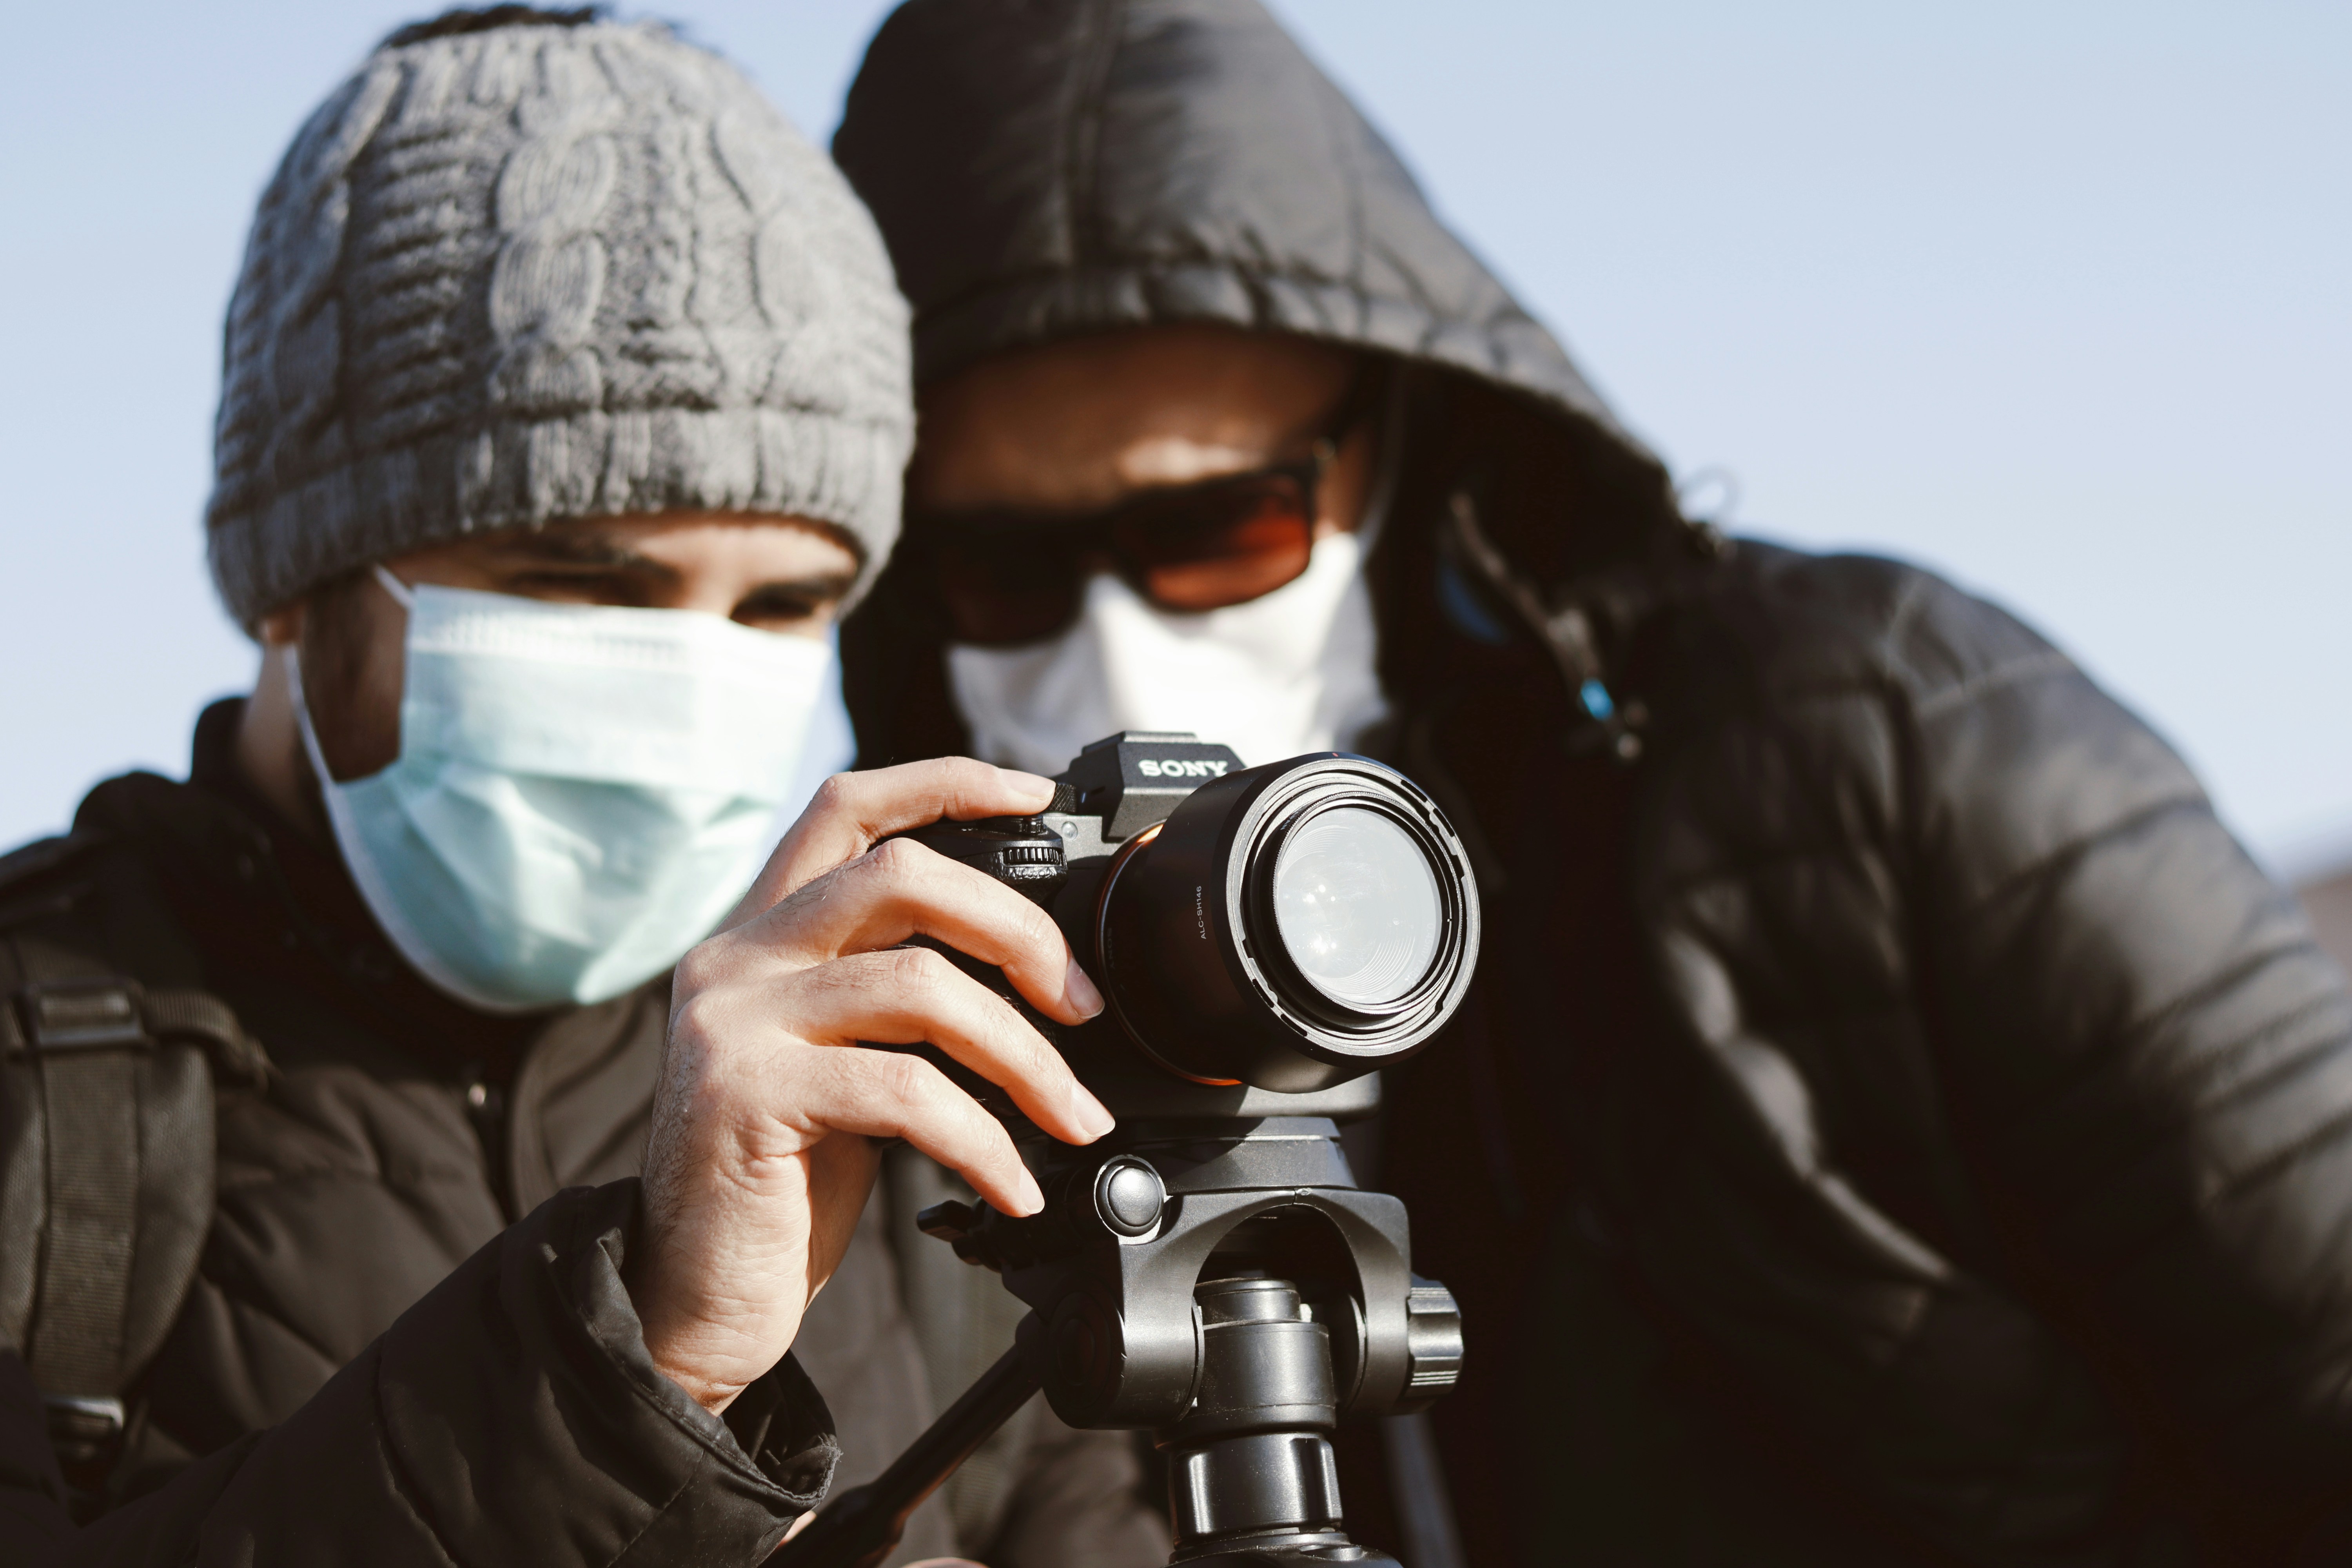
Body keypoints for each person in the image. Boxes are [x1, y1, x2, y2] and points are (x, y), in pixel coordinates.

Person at [828, 1, 2352, 1562]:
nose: (1115, 640)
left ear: (1399, 441)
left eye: (1222, 531)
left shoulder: (1882, 734)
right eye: (1004, 569)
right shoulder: (943, 1028)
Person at [0, 10, 1166, 1566]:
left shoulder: (899, 1083)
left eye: (779, 606)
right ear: (299, 579)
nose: (688, 681)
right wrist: (636, 1370)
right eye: (581, 582)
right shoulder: (39, 1075)